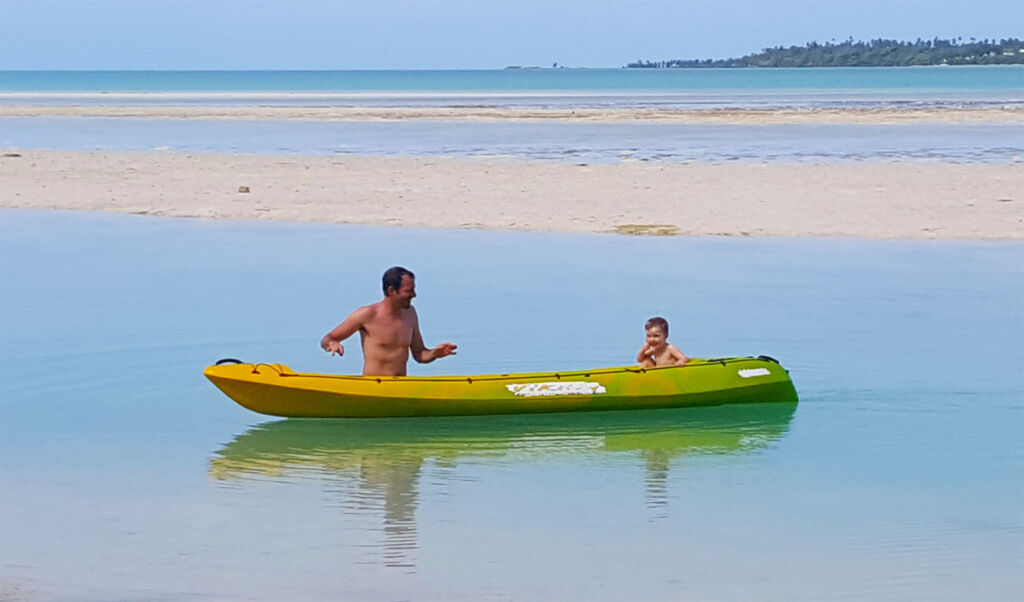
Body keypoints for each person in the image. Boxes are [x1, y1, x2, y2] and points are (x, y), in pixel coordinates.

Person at [320, 266, 457, 376]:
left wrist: (435, 353)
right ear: (392, 291)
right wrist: (332, 343)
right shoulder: (366, 314)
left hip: (399, 387)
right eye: (409, 291)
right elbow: (327, 339)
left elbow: (419, 354)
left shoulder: (410, 314)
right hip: (373, 386)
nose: (414, 295)